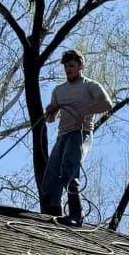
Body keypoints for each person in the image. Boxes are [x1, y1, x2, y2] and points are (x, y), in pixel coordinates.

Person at [39, 49, 112, 224]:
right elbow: (51, 118)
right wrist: (50, 111)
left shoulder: (90, 86)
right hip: (62, 135)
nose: (68, 70)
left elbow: (107, 104)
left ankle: (76, 215)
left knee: (69, 167)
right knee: (51, 175)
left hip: (80, 133)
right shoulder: (59, 90)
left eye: (71, 66)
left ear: (81, 66)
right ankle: (53, 213)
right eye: (66, 67)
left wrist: (84, 112)